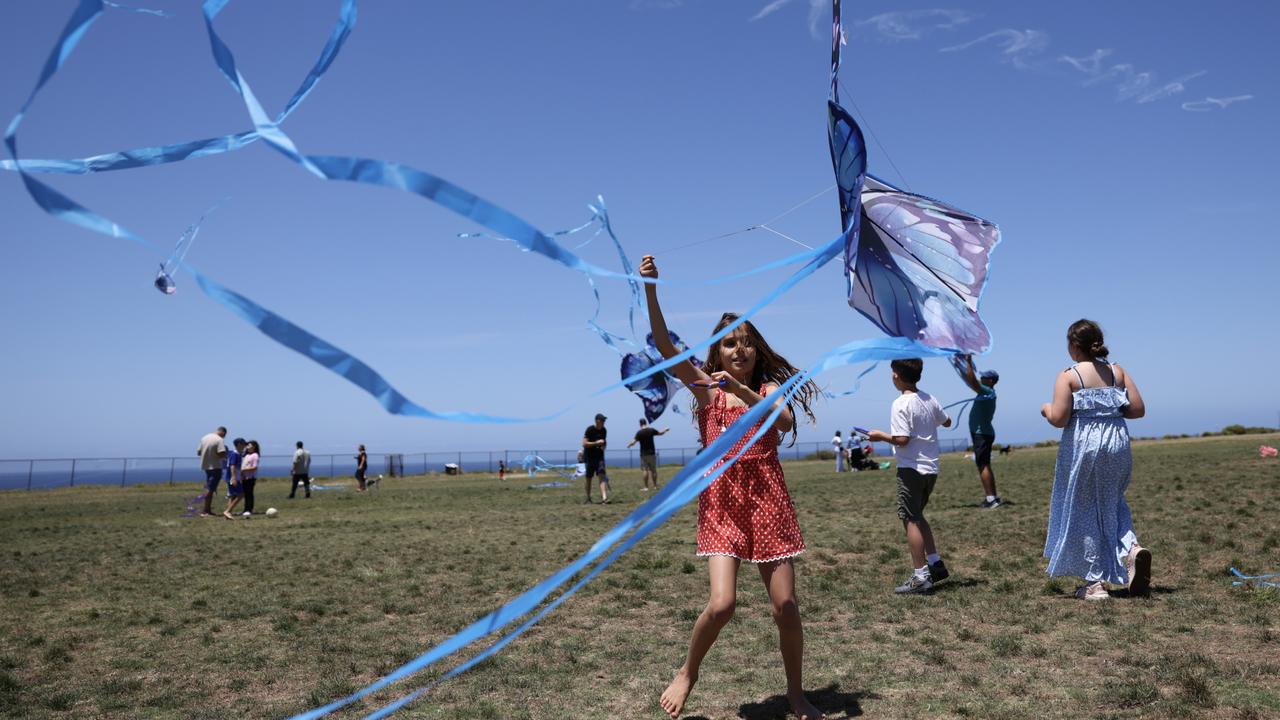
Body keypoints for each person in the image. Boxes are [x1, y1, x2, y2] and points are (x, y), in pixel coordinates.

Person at [639, 255, 825, 720]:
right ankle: (687, 672)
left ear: (756, 351)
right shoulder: (705, 391)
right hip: (722, 501)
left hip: (767, 499)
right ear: (717, 353)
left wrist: (743, 393)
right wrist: (651, 290)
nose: (737, 350)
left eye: (744, 343)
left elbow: (781, 423)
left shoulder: (766, 392)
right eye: (728, 345)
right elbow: (664, 347)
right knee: (722, 605)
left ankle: (796, 694)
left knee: (786, 605)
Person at [1041, 319, 1149, 600]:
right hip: (1116, 442)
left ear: (1074, 346)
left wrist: (1046, 409)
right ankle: (1131, 549)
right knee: (1114, 500)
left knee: (1084, 508)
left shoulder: (1069, 375)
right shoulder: (1116, 372)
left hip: (1085, 446)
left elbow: (1059, 418)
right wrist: (1108, 409)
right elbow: (1137, 409)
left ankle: (1094, 583)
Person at [866, 359, 953, 595]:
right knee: (918, 515)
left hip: (911, 469)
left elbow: (902, 439)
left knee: (910, 518)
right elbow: (947, 421)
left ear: (896, 376)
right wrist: (936, 415)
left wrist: (879, 436)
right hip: (931, 469)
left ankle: (920, 576)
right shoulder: (929, 398)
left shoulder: (900, 403)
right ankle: (935, 564)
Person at [957, 357, 1002, 508]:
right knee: (984, 465)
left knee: (983, 465)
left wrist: (968, 363)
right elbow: (970, 380)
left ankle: (991, 500)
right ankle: (993, 497)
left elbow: (973, 382)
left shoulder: (987, 391)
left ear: (991, 381)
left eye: (984, 377)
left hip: (982, 434)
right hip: (982, 433)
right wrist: (959, 365)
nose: (981, 378)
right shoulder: (986, 392)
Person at [627, 419, 670, 491]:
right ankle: (655, 486)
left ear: (640, 424)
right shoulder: (651, 430)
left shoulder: (639, 433)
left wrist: (629, 445)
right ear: (645, 423)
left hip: (644, 454)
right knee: (653, 470)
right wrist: (665, 430)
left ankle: (646, 487)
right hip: (652, 453)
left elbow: (633, 442)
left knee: (645, 470)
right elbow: (660, 433)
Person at [197, 426, 228, 517]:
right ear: (223, 433)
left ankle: (208, 510)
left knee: (210, 487)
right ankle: (205, 511)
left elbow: (199, 452)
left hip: (206, 466)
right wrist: (225, 452)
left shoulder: (204, 438)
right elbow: (221, 453)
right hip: (216, 466)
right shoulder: (219, 440)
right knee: (210, 489)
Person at [582, 414, 611, 504]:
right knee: (588, 478)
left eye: (604, 421)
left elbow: (604, 443)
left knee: (601, 475)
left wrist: (604, 446)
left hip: (599, 457)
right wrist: (596, 443)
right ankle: (588, 497)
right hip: (589, 457)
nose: (604, 422)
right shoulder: (590, 429)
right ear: (597, 421)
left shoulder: (604, 430)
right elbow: (584, 444)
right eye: (602, 420)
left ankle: (604, 498)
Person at [222, 438, 246, 519]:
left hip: (236, 477)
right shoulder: (234, 454)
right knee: (241, 494)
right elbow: (232, 466)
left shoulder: (238, 454)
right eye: (243, 444)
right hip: (232, 478)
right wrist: (233, 477)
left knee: (233, 496)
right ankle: (227, 511)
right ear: (239, 444)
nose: (245, 446)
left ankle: (228, 514)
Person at [239, 440, 260, 516]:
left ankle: (249, 509)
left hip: (250, 478)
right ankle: (245, 509)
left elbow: (254, 467)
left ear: (254, 446)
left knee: (249, 494)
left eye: (249, 445)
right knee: (245, 494)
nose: (247, 446)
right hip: (244, 478)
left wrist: (243, 470)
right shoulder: (246, 455)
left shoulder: (255, 455)